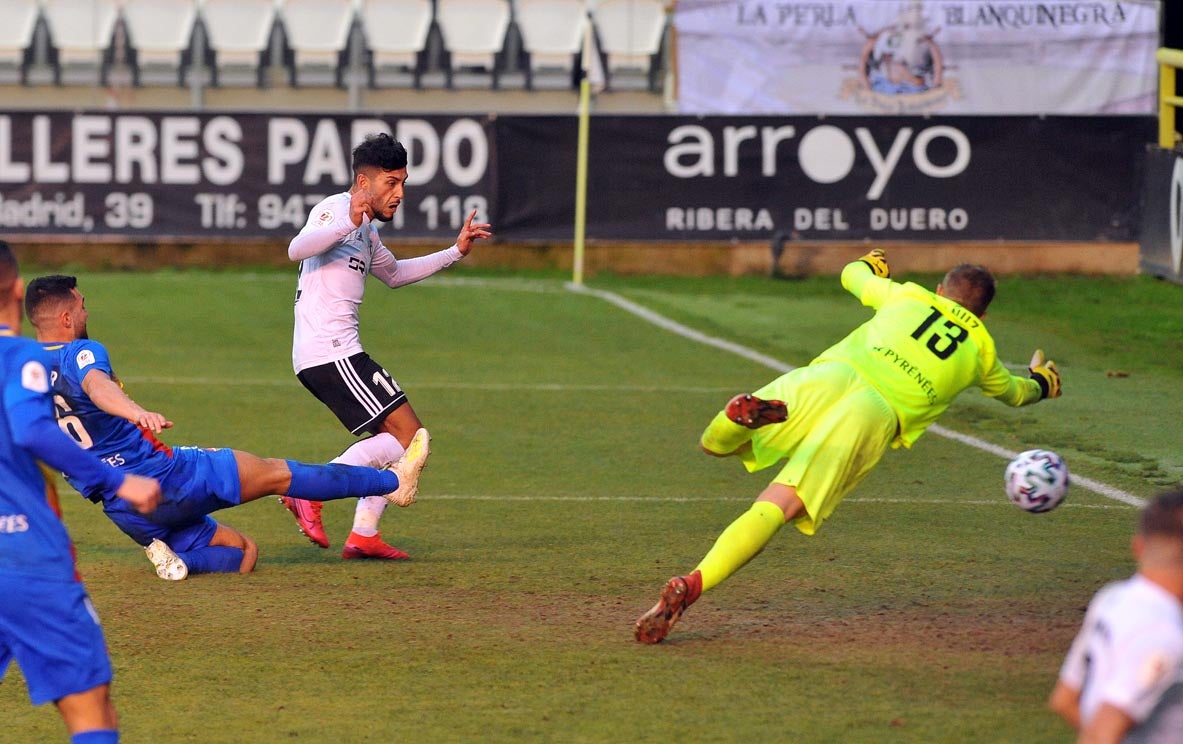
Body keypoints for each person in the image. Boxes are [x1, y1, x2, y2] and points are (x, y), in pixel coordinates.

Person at [634, 250, 1063, 643]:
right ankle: (691, 585)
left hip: (831, 377)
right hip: (873, 412)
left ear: (939, 291)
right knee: (779, 505)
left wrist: (871, 264)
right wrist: (1042, 382)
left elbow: (849, 274)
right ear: (983, 315)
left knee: (716, 446)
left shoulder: (906, 296)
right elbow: (1015, 393)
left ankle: (735, 418)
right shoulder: (981, 351)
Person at [24, 274, 429, 581]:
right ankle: (393, 483)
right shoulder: (82, 352)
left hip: (125, 510)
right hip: (166, 478)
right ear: (64, 316)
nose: (85, 312)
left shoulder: (23, 372)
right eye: (81, 306)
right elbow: (96, 387)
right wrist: (134, 411)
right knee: (276, 474)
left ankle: (176, 560)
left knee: (245, 554)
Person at [281, 132, 492, 560]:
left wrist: (455, 251)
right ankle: (308, 493)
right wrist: (347, 222)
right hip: (331, 351)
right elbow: (295, 248)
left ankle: (363, 534)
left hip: (333, 353)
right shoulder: (336, 210)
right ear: (363, 182)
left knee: (400, 439)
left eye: (403, 183)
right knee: (410, 436)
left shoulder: (366, 231)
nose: (399, 194)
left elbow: (394, 274)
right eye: (390, 183)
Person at [0, 241, 162, 744]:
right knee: (92, 710)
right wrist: (117, 480)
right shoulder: (20, 355)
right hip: (23, 556)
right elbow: (29, 430)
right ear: (16, 289)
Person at [1048, 489, 1183, 743]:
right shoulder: (1163, 635)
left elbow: (1065, 700)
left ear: (1139, 547)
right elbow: (1102, 734)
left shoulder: (1112, 600)